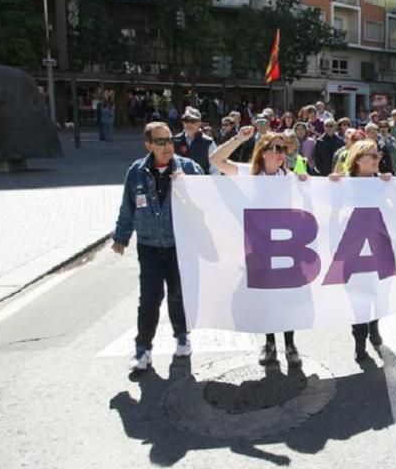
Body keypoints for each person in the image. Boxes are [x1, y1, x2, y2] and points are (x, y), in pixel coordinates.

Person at [112, 122, 203, 372]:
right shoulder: (137, 172)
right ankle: (143, 349)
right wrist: (121, 236)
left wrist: (186, 187)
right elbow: (127, 206)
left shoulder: (188, 168)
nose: (167, 147)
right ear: (148, 145)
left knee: (177, 294)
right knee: (150, 298)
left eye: (170, 141)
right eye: (160, 142)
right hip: (149, 246)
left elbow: (205, 204)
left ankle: (182, 335)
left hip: (178, 244)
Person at [210, 127, 305, 367]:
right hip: (259, 248)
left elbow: (318, 192)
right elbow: (215, 160)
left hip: (285, 248)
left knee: (286, 297)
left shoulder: (290, 177)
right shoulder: (247, 175)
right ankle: (270, 342)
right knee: (265, 297)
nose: (281, 153)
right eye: (275, 148)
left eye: (283, 148)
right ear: (263, 152)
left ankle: (290, 344)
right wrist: (239, 138)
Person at [330, 140, 393, 362]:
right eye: (373, 156)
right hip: (353, 249)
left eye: (379, 156)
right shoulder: (343, 183)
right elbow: (331, 212)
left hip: (378, 247)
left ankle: (374, 326)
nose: (378, 160)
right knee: (358, 298)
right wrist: (333, 185)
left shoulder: (383, 182)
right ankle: (359, 341)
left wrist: (389, 188)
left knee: (377, 293)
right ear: (358, 160)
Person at [173, 107, 217, 173]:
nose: (189, 124)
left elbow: (215, 169)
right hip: (180, 181)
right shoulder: (174, 141)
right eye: (186, 120)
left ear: (199, 123)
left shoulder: (209, 143)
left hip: (202, 181)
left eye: (193, 121)